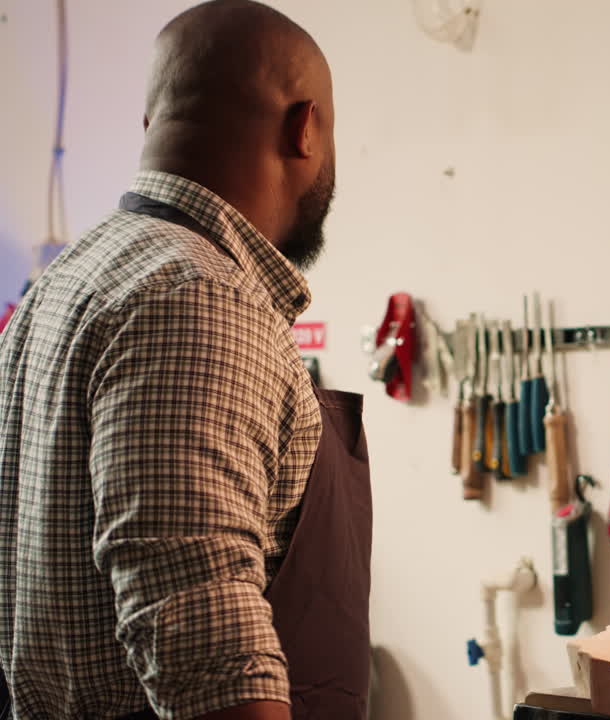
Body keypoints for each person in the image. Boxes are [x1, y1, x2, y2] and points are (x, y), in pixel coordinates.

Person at [0, 2, 371, 718]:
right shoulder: (197, 298)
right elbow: (208, 652)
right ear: (306, 129)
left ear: (152, 125)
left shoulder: (62, 284)